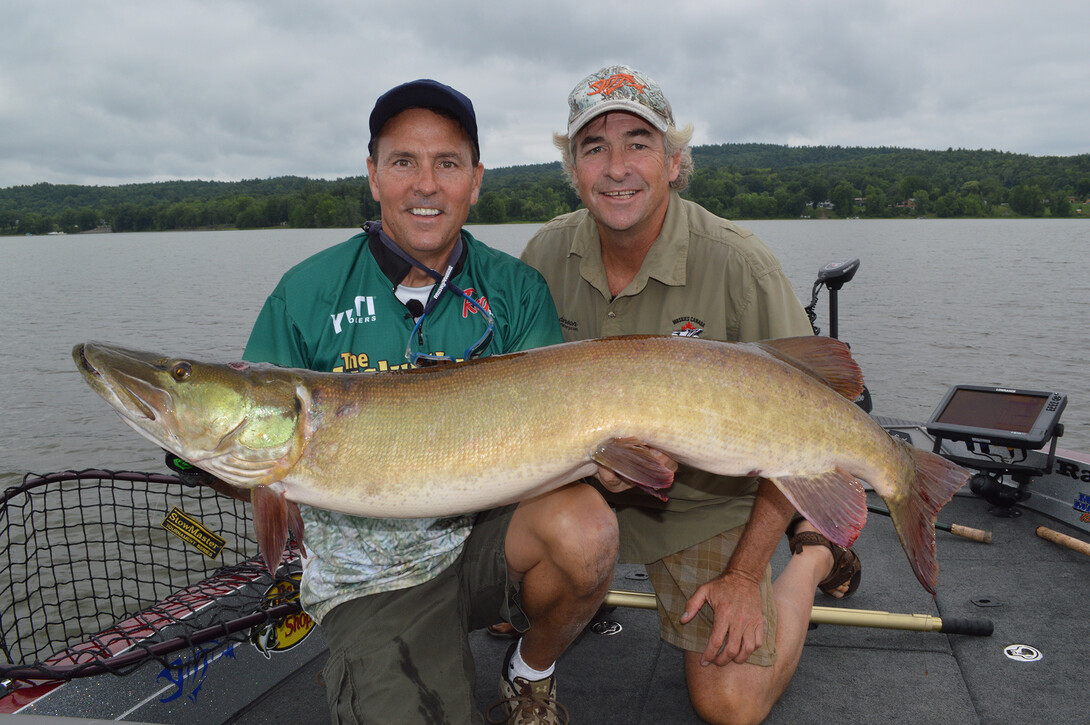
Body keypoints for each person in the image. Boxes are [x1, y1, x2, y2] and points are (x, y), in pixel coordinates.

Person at [243, 79, 619, 725]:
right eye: (403, 162)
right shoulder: (305, 291)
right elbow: (256, 439)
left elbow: (557, 425)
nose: (426, 184)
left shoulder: (515, 288)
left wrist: (609, 454)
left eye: (446, 163)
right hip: (376, 575)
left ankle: (531, 668)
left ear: (474, 180)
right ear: (373, 176)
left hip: (486, 539)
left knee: (586, 528)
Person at [521, 65, 863, 725]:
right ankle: (558, 605)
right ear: (574, 168)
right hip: (582, 492)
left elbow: (818, 418)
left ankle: (815, 554)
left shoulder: (740, 264)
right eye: (594, 146)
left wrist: (742, 575)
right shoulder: (543, 254)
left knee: (730, 703)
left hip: (707, 505)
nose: (616, 166)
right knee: (512, 584)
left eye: (638, 143)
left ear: (675, 162)